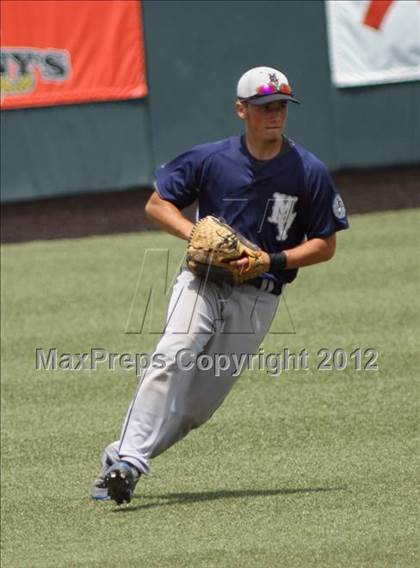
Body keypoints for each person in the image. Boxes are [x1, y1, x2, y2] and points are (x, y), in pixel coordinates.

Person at [91, 66, 349, 504]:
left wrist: (273, 259)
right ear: (241, 109)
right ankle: (131, 462)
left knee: (196, 408)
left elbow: (325, 244)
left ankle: (120, 459)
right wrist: (193, 234)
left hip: (259, 297)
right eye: (266, 106)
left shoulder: (308, 171)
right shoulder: (212, 159)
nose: (275, 114)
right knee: (174, 352)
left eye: (282, 106)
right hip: (203, 282)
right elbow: (157, 205)